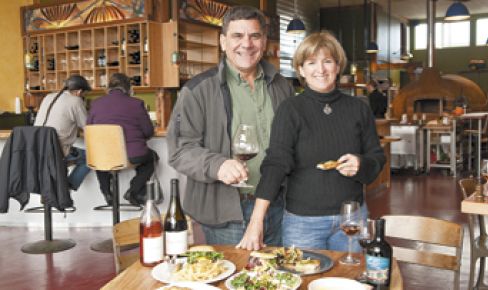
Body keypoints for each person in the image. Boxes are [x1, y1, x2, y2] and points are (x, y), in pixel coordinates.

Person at [237, 31, 386, 251]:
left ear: (337, 66)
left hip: (352, 218)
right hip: (302, 223)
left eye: (327, 61)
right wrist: (256, 220)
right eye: (311, 62)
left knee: (350, 283)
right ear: (301, 70)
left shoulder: (359, 109)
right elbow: (276, 163)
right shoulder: (291, 110)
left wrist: (361, 164)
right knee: (304, 283)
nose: (321, 69)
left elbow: (377, 159)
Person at [166, 5, 294, 245]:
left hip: (278, 203)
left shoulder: (281, 85)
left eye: (254, 36)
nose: (246, 44)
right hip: (227, 210)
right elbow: (179, 150)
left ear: (264, 42)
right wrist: (218, 165)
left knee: (276, 279)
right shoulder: (197, 90)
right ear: (223, 42)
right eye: (237, 36)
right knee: (233, 278)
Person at [87, 73, 156, 206]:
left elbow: (89, 129)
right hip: (131, 155)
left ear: (108, 88)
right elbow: (148, 131)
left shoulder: (96, 103)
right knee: (151, 159)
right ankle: (133, 191)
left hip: (103, 156)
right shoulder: (136, 103)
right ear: (128, 88)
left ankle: (107, 191)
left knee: (100, 159)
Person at [34, 75, 91, 191]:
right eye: (84, 93)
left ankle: (56, 183)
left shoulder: (49, 97)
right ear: (79, 91)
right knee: (90, 157)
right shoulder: (76, 101)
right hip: (57, 152)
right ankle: (67, 187)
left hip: (36, 151)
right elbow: (89, 128)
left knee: (59, 160)